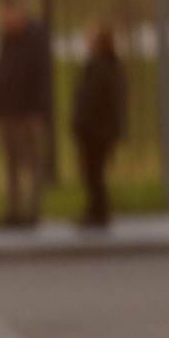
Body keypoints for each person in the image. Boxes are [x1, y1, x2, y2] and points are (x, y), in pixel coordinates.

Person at [0, 0, 55, 228]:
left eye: (6, 14)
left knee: (31, 163)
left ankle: (32, 211)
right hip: (7, 111)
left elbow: (42, 78)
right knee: (12, 164)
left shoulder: (36, 37)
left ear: (18, 11)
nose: (3, 19)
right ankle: (14, 211)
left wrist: (38, 111)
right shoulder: (6, 37)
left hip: (28, 112)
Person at [71, 22, 127, 230]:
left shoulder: (101, 67)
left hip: (96, 131)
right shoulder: (102, 65)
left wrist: (82, 123)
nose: (86, 41)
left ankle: (99, 213)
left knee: (94, 173)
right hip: (96, 130)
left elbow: (93, 101)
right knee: (91, 173)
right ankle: (95, 211)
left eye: (89, 38)